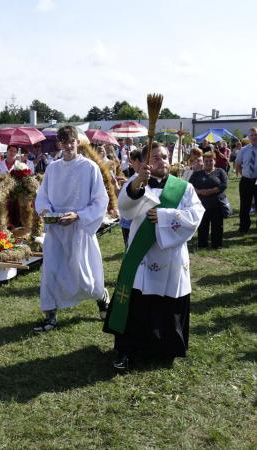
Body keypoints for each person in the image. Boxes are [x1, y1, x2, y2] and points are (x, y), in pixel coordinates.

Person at [103, 143, 204, 369]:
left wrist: (165, 216)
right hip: (142, 256)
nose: (161, 160)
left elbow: (195, 216)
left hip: (171, 257)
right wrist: (138, 181)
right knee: (137, 303)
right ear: (147, 161)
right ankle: (126, 350)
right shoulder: (138, 182)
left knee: (167, 304)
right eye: (156, 157)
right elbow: (125, 209)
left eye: (165, 156)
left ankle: (164, 350)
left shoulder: (184, 188)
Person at [33, 125, 109, 332]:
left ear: (78, 142)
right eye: (64, 142)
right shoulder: (52, 168)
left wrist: (79, 216)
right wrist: (46, 211)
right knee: (52, 272)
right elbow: (43, 196)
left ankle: (101, 296)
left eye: (71, 142)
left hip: (79, 229)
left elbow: (101, 199)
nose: (67, 146)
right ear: (59, 144)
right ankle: (50, 315)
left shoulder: (89, 168)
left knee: (85, 277)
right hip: (56, 230)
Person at [189, 151, 227, 249]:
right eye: (206, 161)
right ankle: (202, 244)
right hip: (201, 204)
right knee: (202, 226)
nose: (209, 163)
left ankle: (217, 245)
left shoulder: (220, 171)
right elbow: (190, 186)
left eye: (211, 160)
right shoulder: (197, 174)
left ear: (214, 161)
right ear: (203, 162)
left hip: (217, 204)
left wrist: (211, 191)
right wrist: (200, 192)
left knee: (217, 226)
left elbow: (224, 184)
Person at [235, 127, 257, 233]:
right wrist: (242, 174)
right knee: (244, 205)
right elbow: (237, 164)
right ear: (248, 137)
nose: (254, 137)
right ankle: (244, 227)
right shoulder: (244, 150)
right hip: (246, 180)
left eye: (255, 134)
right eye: (251, 135)